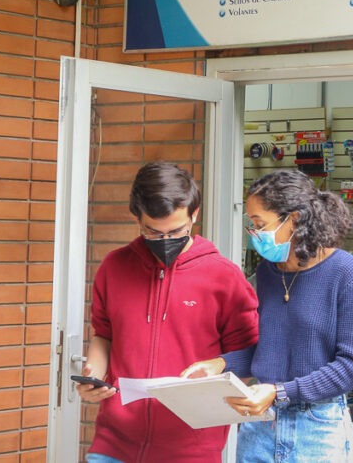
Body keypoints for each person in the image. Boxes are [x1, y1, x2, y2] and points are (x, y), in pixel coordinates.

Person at [182, 169, 353, 463]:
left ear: (293, 219)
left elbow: (351, 368)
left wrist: (279, 391)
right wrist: (220, 364)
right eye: (252, 224)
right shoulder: (267, 273)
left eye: (260, 224)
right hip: (261, 425)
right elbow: (270, 349)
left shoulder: (348, 274)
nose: (254, 233)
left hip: (318, 429)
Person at [76, 161, 260, 463]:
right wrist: (92, 375)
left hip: (191, 449)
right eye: (152, 231)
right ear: (137, 217)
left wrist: (217, 368)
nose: (165, 241)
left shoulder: (224, 277)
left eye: (176, 231)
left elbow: (249, 356)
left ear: (194, 214)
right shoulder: (114, 266)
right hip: (113, 444)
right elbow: (104, 334)